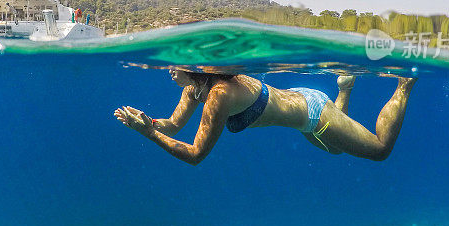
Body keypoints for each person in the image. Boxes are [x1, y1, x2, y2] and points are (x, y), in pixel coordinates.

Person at [114, 69, 416, 165]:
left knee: (379, 150)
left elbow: (195, 154)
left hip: (312, 112)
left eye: (173, 62)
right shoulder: (194, 90)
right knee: (337, 148)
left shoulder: (219, 94)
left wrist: (150, 135)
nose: (167, 68)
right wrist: (149, 122)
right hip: (300, 108)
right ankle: (345, 87)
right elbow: (174, 124)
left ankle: (403, 83)